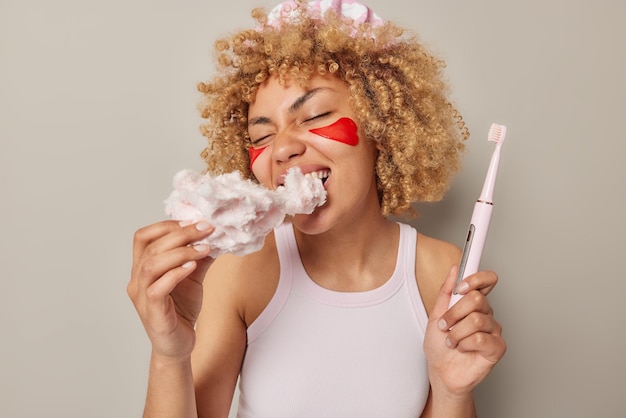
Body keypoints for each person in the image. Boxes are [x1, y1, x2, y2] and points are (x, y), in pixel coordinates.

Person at [127, 0, 507, 416]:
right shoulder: (241, 271)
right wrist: (169, 355)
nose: (283, 148)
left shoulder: (441, 272)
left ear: (379, 126)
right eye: (262, 135)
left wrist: (453, 392)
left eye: (315, 115)